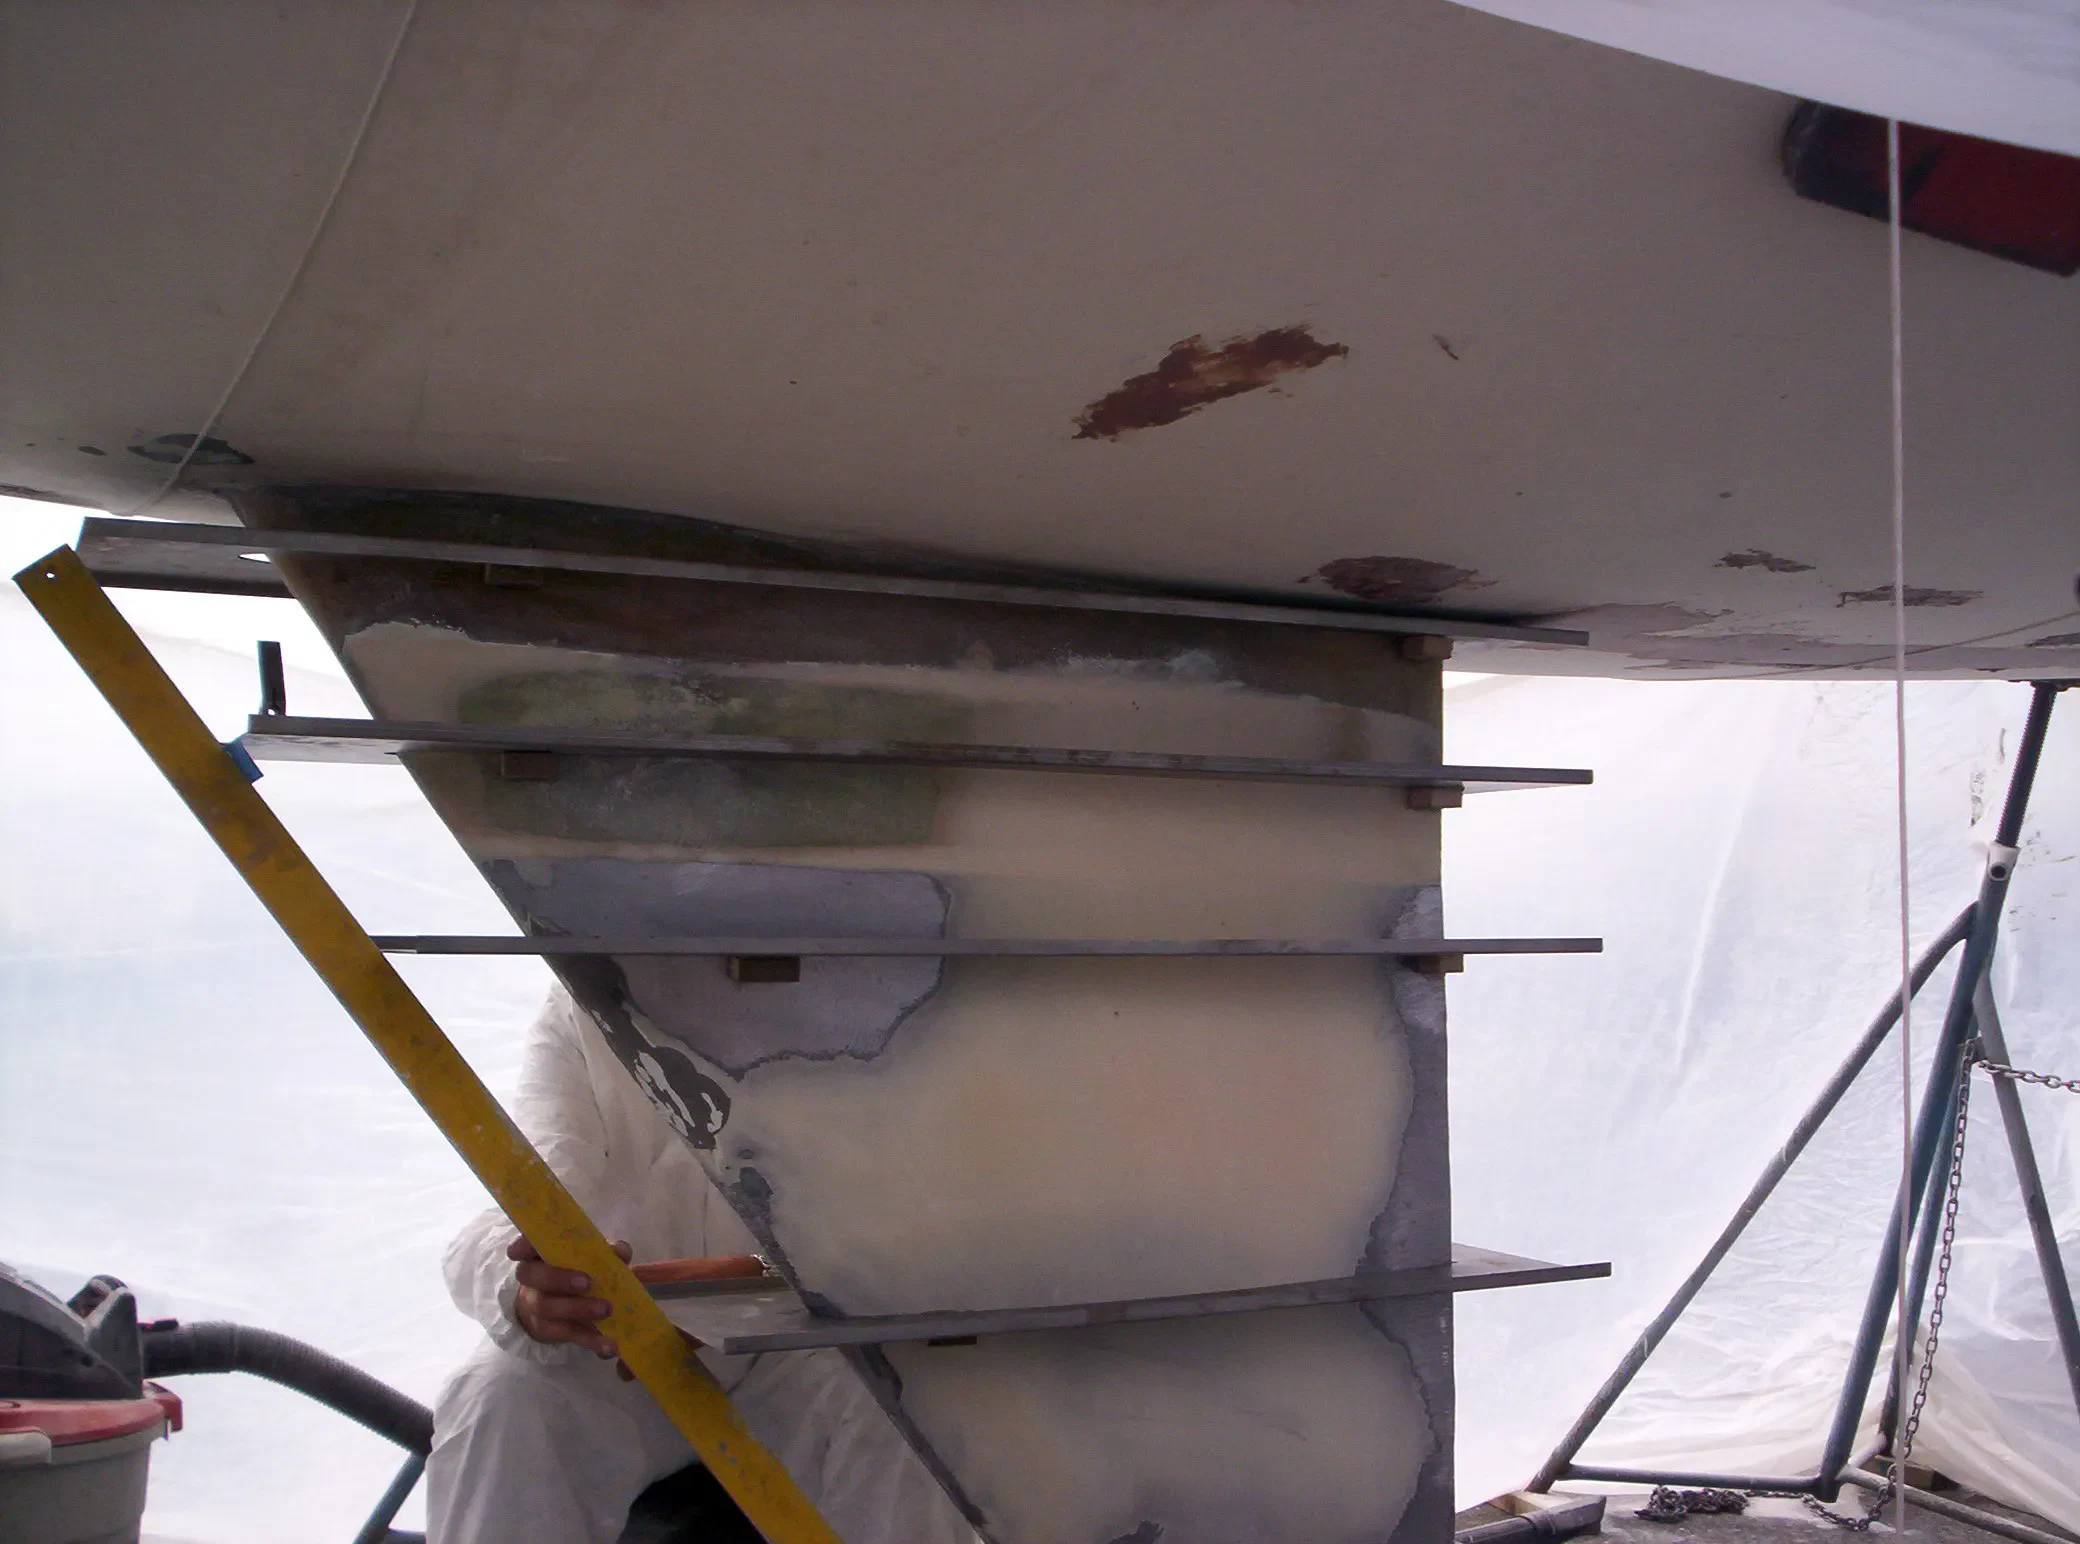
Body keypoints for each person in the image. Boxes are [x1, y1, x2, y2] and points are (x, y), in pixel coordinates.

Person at [427, 988, 975, 1544]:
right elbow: (528, 1195)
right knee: (500, 1398)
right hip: (622, 1342)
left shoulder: (895, 988)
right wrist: (527, 1291)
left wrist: (732, 1289)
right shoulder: (583, 1002)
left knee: (912, 1412)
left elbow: (946, 1239)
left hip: (814, 1345)